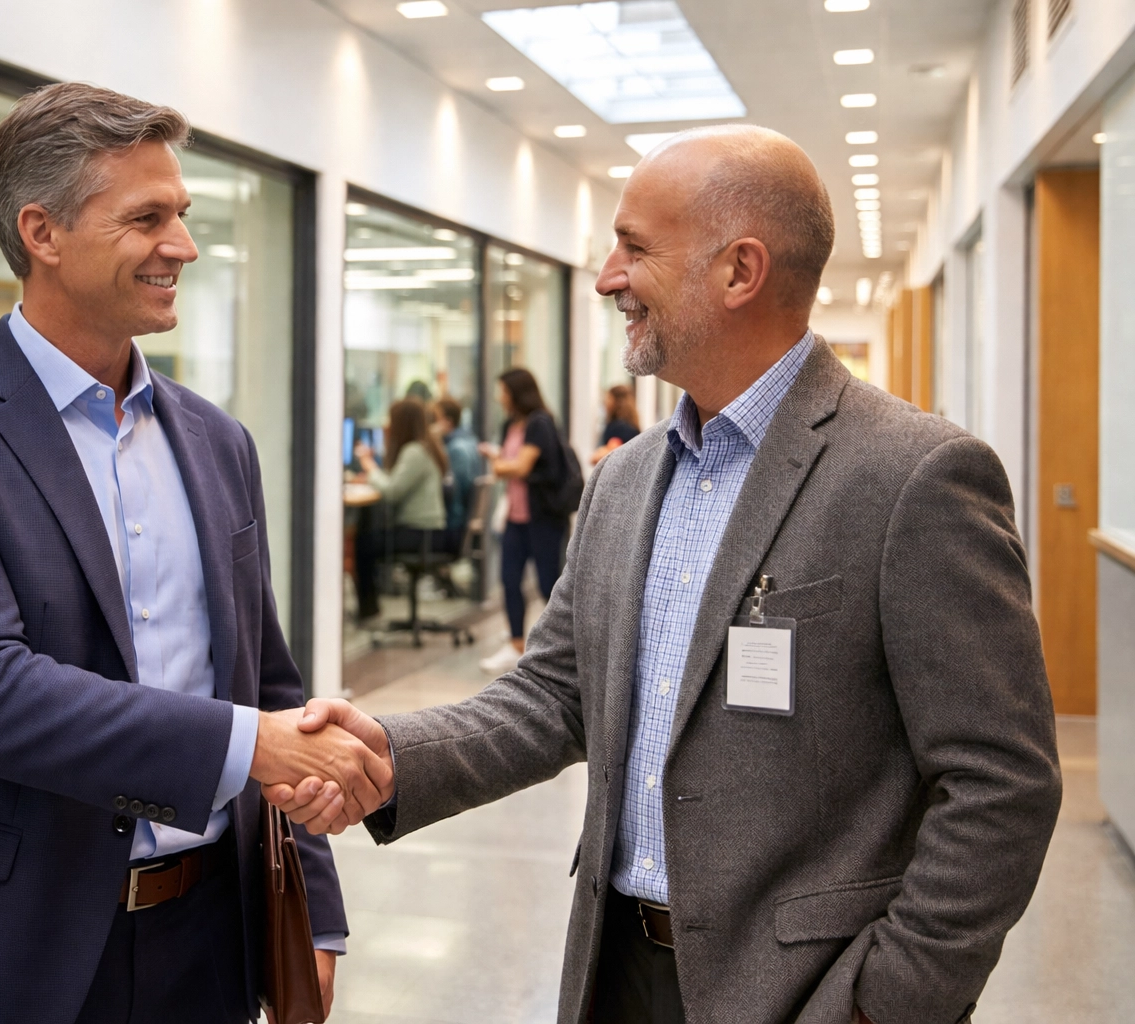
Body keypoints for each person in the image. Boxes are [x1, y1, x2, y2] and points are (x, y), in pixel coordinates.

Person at [267, 125, 1061, 1024]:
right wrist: (384, 752)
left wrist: (886, 1001)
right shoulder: (626, 479)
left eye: (634, 248)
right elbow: (555, 695)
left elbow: (1003, 782)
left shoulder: (914, 477)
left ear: (739, 271)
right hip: (616, 971)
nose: (607, 277)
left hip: (804, 993)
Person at [0, 83, 389, 1024]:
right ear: (42, 234)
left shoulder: (217, 441)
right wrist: (251, 746)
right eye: (147, 217)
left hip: (210, 934)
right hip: (5, 941)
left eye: (184, 214)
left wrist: (315, 915)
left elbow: (270, 687)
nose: (185, 245)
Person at [476, 367, 569, 675]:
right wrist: (504, 464)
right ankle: (516, 644)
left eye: (501, 390)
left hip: (542, 518)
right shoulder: (509, 425)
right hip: (516, 518)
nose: (498, 396)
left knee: (548, 584)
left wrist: (500, 463)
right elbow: (509, 465)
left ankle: (561, 646)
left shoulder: (539, 422)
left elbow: (519, 466)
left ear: (516, 392)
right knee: (510, 580)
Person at [352, 397, 448, 621]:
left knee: (363, 544)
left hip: (420, 534)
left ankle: (368, 609)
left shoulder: (415, 451)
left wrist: (369, 466)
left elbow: (392, 491)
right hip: (427, 531)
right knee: (368, 537)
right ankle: (369, 607)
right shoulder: (424, 447)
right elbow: (396, 482)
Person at [430, 396, 480, 548]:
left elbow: (455, 490)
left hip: (454, 526)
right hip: (461, 522)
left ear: (447, 422)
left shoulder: (456, 449)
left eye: (435, 419)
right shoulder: (471, 440)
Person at [590, 383, 640, 465]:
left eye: (608, 398)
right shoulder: (631, 425)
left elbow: (610, 452)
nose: (605, 402)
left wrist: (598, 453)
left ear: (616, 401)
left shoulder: (619, 428)